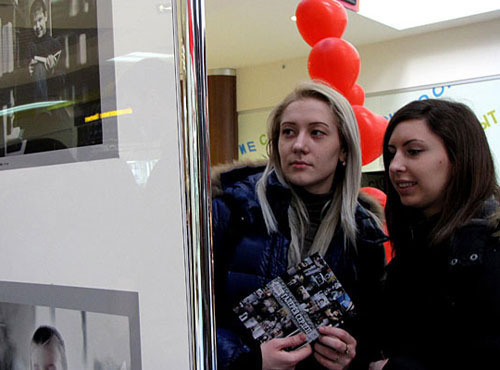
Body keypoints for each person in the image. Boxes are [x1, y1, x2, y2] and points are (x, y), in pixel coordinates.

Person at [212, 81, 387, 369]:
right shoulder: (233, 209)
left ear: (344, 150)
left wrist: (350, 353)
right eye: (288, 132)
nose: (299, 145)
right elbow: (188, 316)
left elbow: (368, 332)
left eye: (317, 133)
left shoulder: (362, 231)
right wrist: (249, 361)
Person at [370, 99, 500, 370]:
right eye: (392, 153)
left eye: (414, 151)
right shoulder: (416, 246)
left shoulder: (489, 247)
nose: (395, 166)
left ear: (460, 157)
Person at [27, 0, 63, 101]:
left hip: (53, 97)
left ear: (46, 16)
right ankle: (42, 110)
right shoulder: (30, 47)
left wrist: (53, 70)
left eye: (40, 20)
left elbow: (63, 81)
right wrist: (28, 72)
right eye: (34, 23)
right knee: (38, 68)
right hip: (33, 98)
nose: (37, 26)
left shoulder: (55, 45)